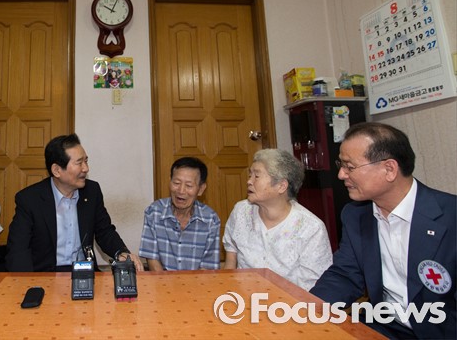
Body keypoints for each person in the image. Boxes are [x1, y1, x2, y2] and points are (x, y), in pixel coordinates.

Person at [311, 122, 456, 339]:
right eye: (341, 165)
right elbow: (345, 275)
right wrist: (305, 311)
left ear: (389, 169)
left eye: (350, 167)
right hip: (383, 325)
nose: (341, 174)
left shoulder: (451, 218)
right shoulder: (355, 215)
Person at [5, 133, 143, 272]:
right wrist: (26, 282)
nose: (86, 168)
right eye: (79, 163)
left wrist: (120, 252)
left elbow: (104, 231)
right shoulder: (30, 199)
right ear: (57, 170)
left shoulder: (92, 191)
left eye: (86, 161)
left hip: (85, 272)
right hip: (46, 275)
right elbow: (18, 249)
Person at [223, 148, 332, 291]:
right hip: (242, 297)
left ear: (281, 186)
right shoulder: (241, 212)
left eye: (256, 176)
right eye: (250, 175)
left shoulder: (311, 228)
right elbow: (231, 258)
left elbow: (313, 285)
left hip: (290, 301)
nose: (249, 181)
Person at [139, 157, 221, 271]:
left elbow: (207, 267)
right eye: (176, 183)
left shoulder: (211, 220)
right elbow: (152, 259)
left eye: (189, 185)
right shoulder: (154, 212)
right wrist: (164, 282)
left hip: (197, 281)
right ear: (170, 182)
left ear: (201, 189)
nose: (181, 191)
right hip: (161, 279)